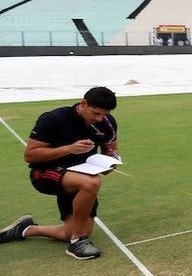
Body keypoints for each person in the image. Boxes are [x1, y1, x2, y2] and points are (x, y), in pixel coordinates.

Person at [0, 87, 119, 260]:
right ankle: (78, 241)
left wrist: (111, 162)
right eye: (96, 113)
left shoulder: (107, 122)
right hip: (44, 173)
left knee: (72, 231)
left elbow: (111, 150)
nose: (99, 119)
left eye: (104, 114)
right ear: (83, 103)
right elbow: (30, 155)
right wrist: (69, 149)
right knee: (91, 183)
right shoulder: (53, 119)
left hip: (79, 174)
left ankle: (27, 229)